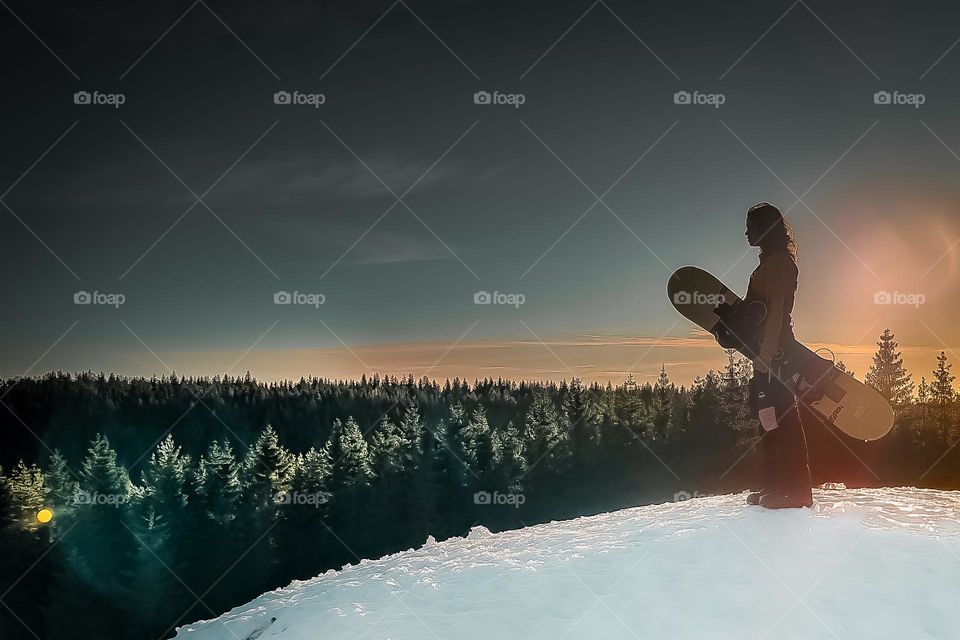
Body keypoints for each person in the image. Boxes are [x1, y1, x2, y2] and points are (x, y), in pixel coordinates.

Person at [742, 202, 813, 509]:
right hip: (766, 353)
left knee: (784, 420)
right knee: (767, 419)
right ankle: (774, 485)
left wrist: (767, 355)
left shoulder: (780, 263)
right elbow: (756, 313)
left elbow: (776, 316)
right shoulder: (767, 262)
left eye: (751, 226)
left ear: (764, 228)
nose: (746, 232)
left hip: (779, 355)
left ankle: (797, 492)